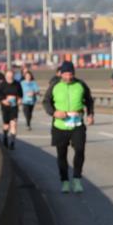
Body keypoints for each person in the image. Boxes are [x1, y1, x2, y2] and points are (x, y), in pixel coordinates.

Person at [43, 60, 94, 194]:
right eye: (65, 74)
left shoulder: (80, 84)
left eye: (71, 74)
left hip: (77, 124)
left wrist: (90, 114)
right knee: (62, 154)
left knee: (80, 150)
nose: (68, 77)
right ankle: (65, 181)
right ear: (61, 74)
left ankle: (77, 179)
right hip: (60, 125)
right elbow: (46, 102)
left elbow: (89, 100)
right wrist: (54, 112)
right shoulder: (55, 86)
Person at [0, 69, 23, 149]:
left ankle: (12, 142)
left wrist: (19, 100)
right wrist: (3, 100)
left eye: (11, 76)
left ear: (13, 76)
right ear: (6, 76)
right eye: (8, 76)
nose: (10, 77)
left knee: (13, 124)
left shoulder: (17, 84)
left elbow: (20, 94)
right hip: (5, 107)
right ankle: (5, 137)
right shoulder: (2, 84)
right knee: (6, 125)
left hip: (14, 107)